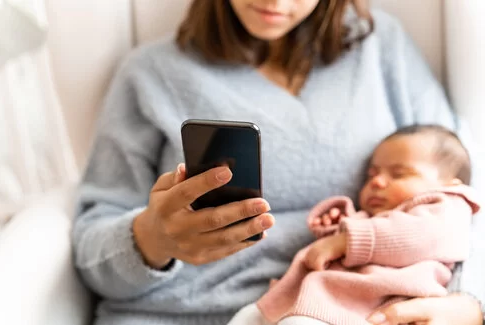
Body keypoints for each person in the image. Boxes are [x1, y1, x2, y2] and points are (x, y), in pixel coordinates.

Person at [73, 1, 485, 324]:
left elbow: (462, 196)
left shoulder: (381, 46)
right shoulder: (152, 73)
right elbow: (91, 252)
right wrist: (152, 238)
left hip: (343, 312)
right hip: (178, 313)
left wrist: (471, 302)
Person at [228, 125, 480, 325]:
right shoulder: (374, 217)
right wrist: (336, 225)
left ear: (451, 184)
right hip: (317, 298)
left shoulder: (448, 206)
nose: (378, 182)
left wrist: (345, 241)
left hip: (365, 308)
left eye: (398, 174)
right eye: (372, 175)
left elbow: (418, 236)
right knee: (249, 316)